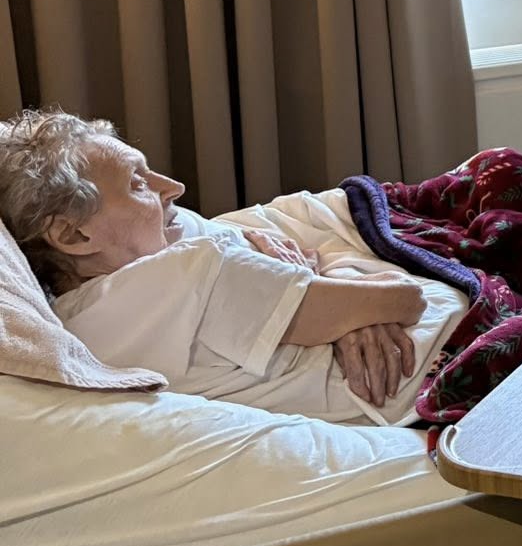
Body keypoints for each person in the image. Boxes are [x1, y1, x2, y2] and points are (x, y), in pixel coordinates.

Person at [0, 108, 455, 423]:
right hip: (433, 370)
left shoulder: (79, 319)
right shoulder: (186, 275)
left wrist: (341, 308)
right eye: (138, 183)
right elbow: (405, 299)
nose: (173, 186)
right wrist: (335, 290)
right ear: (73, 236)